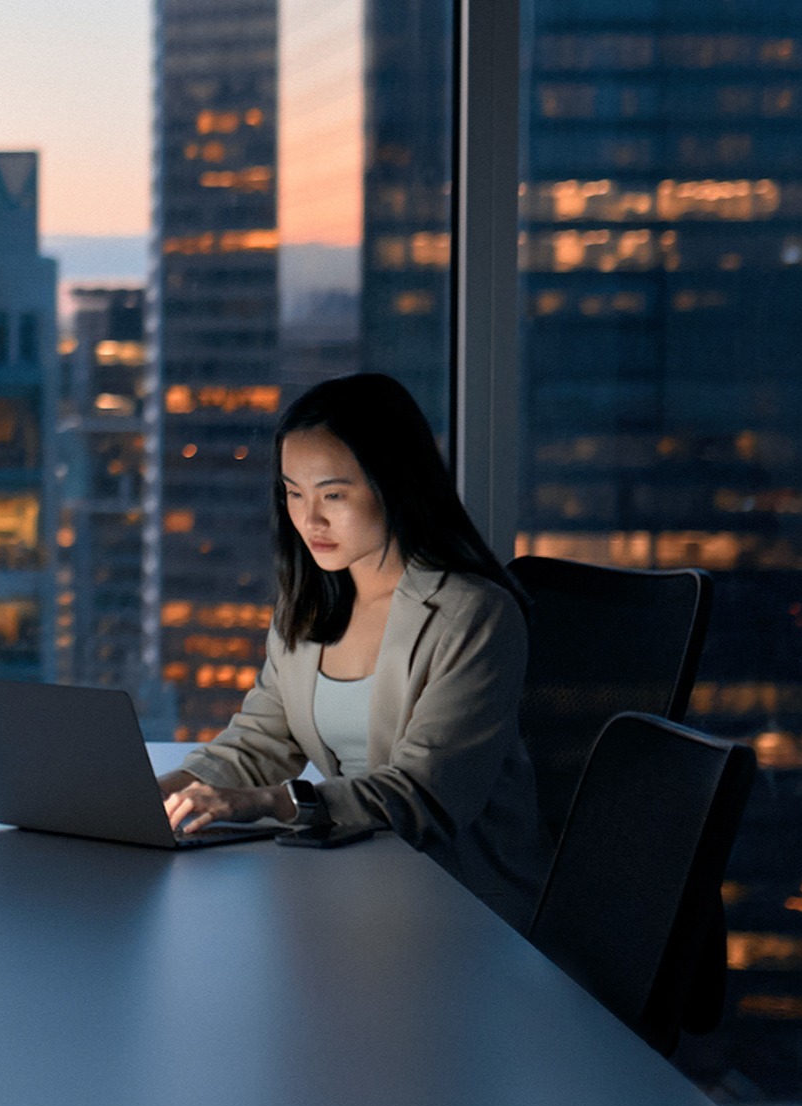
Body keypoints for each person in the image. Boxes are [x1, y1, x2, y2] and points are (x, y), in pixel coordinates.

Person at [156, 373, 546, 923]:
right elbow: (259, 744)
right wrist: (147, 796)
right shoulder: (310, 605)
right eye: (294, 493)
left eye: (333, 495)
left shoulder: (473, 614)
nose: (309, 520)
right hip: (354, 882)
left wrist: (267, 803)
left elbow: (424, 795)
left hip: (461, 903)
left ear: (394, 483)